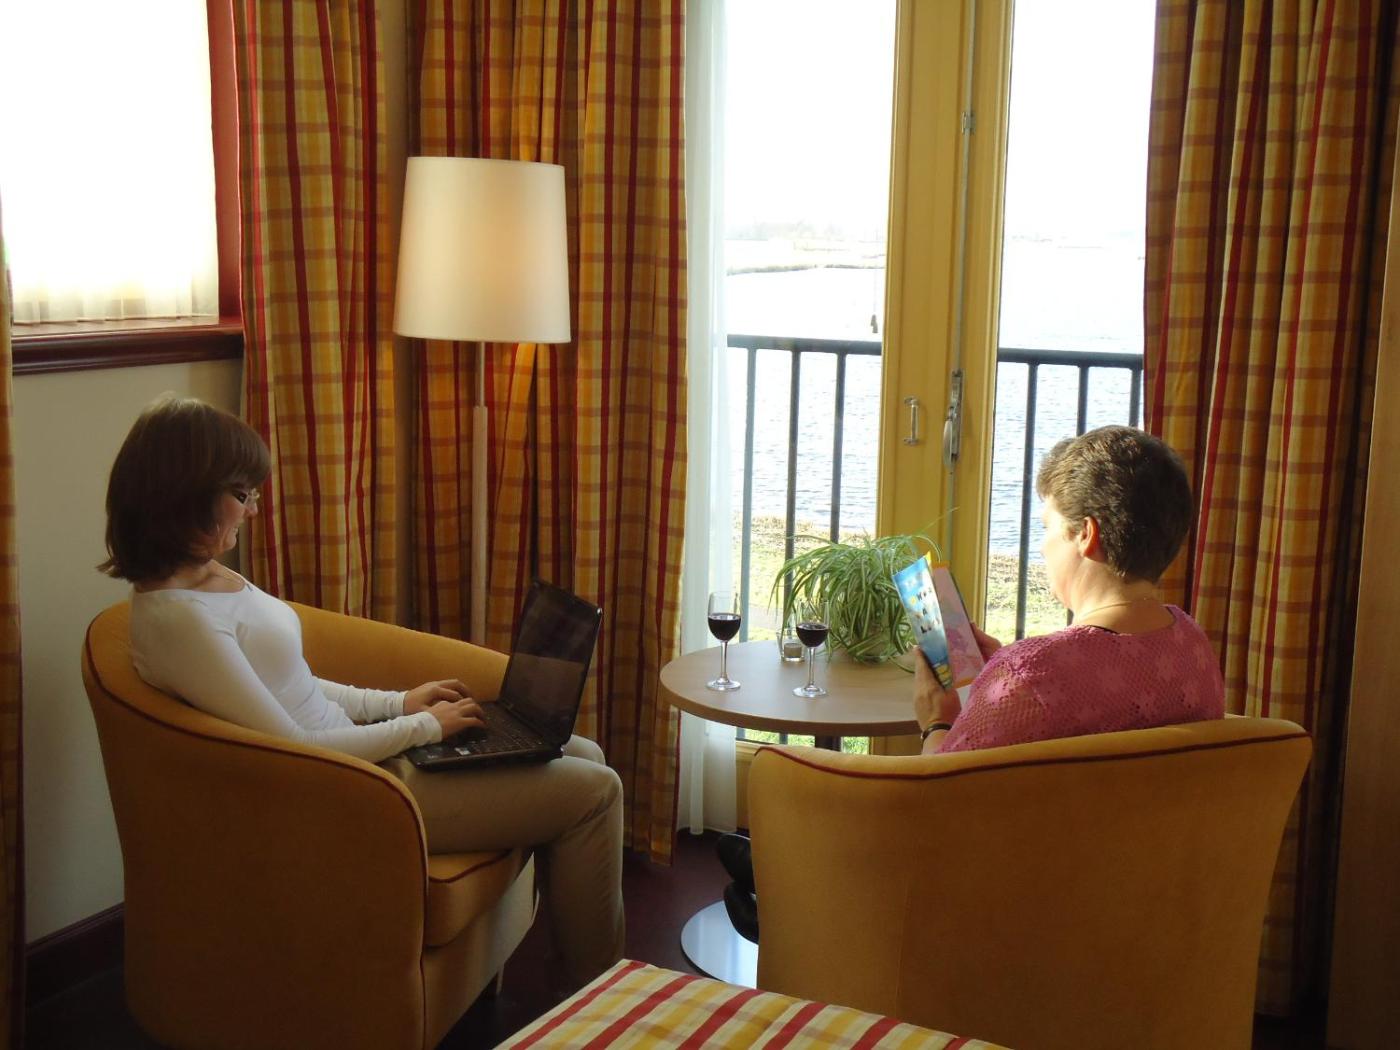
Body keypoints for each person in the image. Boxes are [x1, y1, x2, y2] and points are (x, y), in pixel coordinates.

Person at [102, 395, 624, 988]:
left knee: (583, 752)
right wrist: (424, 728)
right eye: (241, 494)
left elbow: (295, 683)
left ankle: (575, 975)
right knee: (596, 792)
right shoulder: (179, 620)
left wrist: (398, 704)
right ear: (186, 494)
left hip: (364, 755)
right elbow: (295, 747)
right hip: (350, 793)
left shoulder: (207, 574)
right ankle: (600, 997)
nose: (253, 510)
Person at [720, 425, 1225, 940]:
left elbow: (934, 800)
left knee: (841, 805)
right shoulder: (1191, 645)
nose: (1042, 545)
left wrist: (935, 722)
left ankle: (789, 902)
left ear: (1085, 535)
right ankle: (774, 873)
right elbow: (1097, 698)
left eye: (1047, 526)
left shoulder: (1032, 674)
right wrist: (1002, 669)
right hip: (1131, 902)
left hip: (999, 904)